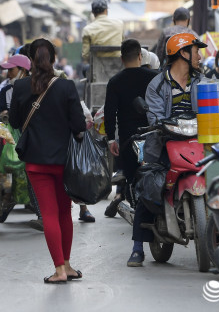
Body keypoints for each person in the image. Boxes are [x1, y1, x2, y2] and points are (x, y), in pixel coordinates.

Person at [136, 32, 219, 268]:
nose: (200, 56)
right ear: (183, 53)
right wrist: (159, 123)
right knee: (148, 183)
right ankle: (137, 246)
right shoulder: (157, 85)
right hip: (164, 141)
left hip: (199, 140)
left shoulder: (204, 81)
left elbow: (216, 104)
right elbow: (155, 115)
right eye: (197, 51)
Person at [10, 38, 86, 284]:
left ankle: (60, 270)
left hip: (36, 162)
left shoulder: (20, 87)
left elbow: (13, 121)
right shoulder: (66, 87)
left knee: (49, 214)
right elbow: (78, 125)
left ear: (31, 60)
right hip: (64, 161)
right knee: (65, 212)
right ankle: (67, 265)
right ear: (53, 59)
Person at [103, 40, 158, 218]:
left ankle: (136, 207)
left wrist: (111, 139)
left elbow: (109, 114)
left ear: (121, 59)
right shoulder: (153, 77)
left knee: (132, 176)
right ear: (140, 56)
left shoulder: (115, 82)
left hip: (127, 138)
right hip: (153, 135)